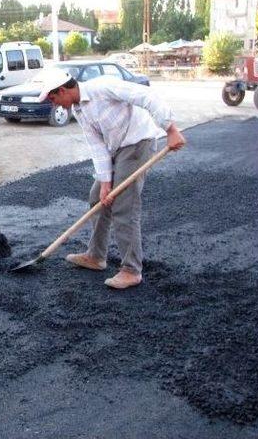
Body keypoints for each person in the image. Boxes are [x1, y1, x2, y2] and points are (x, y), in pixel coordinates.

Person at [41, 69, 186, 289]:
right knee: (97, 198)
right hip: (115, 149)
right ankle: (96, 256)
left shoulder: (103, 86)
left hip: (138, 143)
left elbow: (146, 96)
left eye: (54, 98)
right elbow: (97, 146)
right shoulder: (79, 110)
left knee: (123, 205)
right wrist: (105, 184)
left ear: (62, 90)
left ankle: (131, 270)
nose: (55, 105)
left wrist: (170, 129)